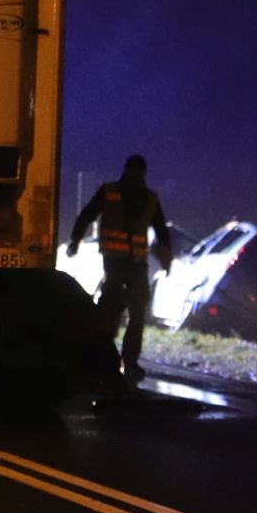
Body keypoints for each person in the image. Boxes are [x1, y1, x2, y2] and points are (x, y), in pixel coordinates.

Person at [67, 155, 172, 385]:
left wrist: (167, 259)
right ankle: (113, 359)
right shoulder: (118, 193)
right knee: (121, 313)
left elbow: (162, 232)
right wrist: (75, 240)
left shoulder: (140, 197)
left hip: (128, 265)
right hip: (122, 264)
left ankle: (122, 360)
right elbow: (87, 215)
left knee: (126, 313)